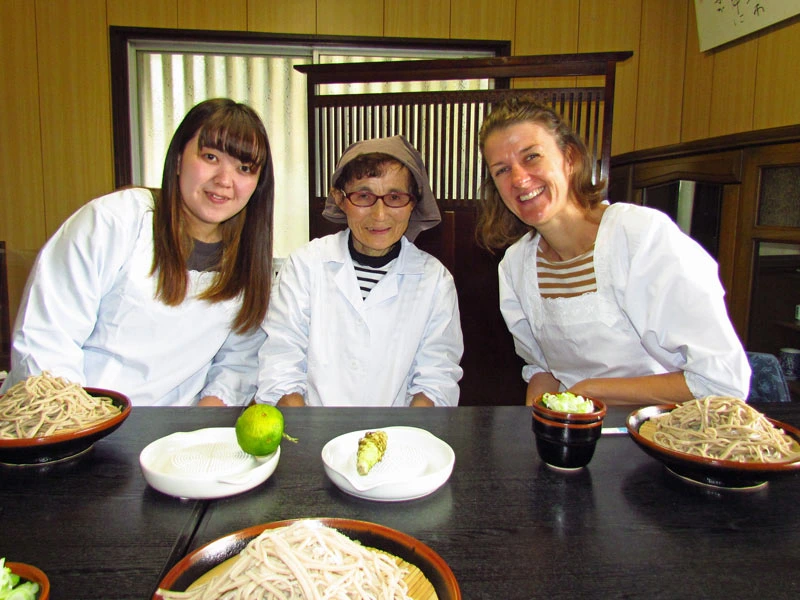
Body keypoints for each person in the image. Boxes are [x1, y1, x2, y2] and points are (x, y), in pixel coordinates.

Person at [476, 97, 750, 406]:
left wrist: (591, 390)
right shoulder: (516, 265)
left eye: (532, 157)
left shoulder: (640, 237)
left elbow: (723, 380)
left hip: (664, 434)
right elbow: (542, 369)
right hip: (579, 436)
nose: (520, 179)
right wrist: (540, 424)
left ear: (569, 158)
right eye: (502, 170)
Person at [1, 98, 275, 406]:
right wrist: (78, 426)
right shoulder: (114, 222)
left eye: (244, 168)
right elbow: (48, 339)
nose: (225, 181)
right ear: (177, 160)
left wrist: (202, 428)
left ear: (257, 184)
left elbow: (237, 362)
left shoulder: (247, 260)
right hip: (70, 420)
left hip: (168, 437)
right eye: (210, 157)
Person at [256, 135, 463, 407]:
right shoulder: (305, 266)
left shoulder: (435, 281)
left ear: (413, 202)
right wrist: (306, 438)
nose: (379, 215)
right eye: (364, 196)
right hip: (310, 432)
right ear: (340, 199)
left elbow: (436, 379)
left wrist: (401, 442)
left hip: (398, 437)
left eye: (395, 197)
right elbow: (281, 362)